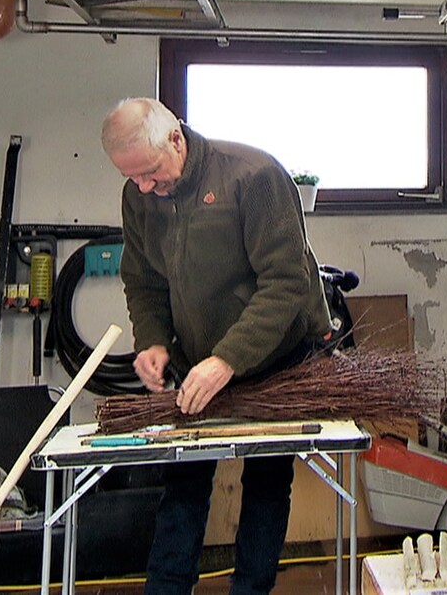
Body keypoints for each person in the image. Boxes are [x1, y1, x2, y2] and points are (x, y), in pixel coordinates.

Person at [102, 97, 333, 594]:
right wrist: (155, 342)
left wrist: (228, 360)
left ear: (176, 140)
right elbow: (142, 282)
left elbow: (286, 284)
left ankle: (251, 590)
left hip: (275, 360)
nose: (143, 187)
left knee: (267, 486)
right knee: (183, 481)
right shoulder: (139, 194)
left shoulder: (254, 176)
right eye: (132, 178)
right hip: (194, 359)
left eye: (149, 173)